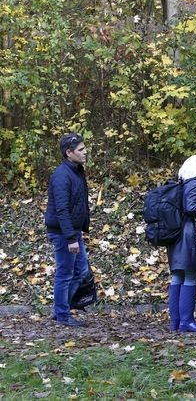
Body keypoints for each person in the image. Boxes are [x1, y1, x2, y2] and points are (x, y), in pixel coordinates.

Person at [45, 133, 92, 327]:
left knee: (81, 271)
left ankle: (60, 309)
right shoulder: (61, 176)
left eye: (84, 148)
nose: (85, 152)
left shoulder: (76, 170)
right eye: (81, 150)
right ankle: (63, 315)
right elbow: (61, 210)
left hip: (73, 232)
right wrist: (71, 238)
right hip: (63, 233)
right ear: (69, 153)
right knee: (65, 274)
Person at [167, 154, 196, 332]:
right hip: (189, 235)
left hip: (178, 235)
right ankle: (187, 321)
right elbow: (192, 207)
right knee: (191, 275)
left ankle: (176, 322)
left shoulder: (183, 181)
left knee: (178, 276)